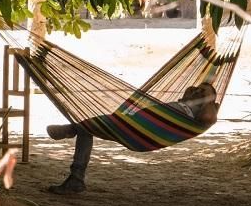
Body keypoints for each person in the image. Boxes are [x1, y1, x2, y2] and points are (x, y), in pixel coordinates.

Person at [46, 82, 219, 195]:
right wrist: (196, 93)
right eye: (197, 88)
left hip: (147, 133)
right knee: (88, 128)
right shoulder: (185, 103)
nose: (197, 91)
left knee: (88, 125)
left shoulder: (202, 114)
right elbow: (190, 94)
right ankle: (76, 179)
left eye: (202, 92)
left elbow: (208, 118)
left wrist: (210, 99)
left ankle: (70, 130)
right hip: (133, 125)